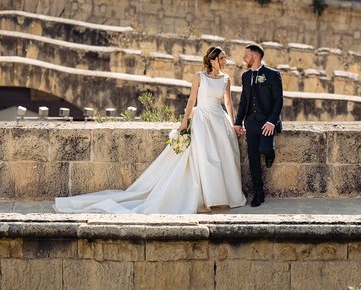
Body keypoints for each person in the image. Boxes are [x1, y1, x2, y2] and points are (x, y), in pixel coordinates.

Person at [54, 46, 244, 214]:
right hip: (202, 120)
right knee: (205, 159)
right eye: (221, 58)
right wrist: (184, 121)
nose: (225, 61)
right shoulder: (199, 77)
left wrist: (234, 124)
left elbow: (227, 102)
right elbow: (191, 100)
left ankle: (223, 197)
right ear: (212, 60)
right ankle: (207, 198)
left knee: (224, 157)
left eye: (225, 58)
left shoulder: (225, 79)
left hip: (219, 121)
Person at [234, 43, 284, 207]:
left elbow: (278, 101)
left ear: (255, 56)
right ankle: (259, 193)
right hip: (251, 123)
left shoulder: (272, 75)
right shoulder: (246, 76)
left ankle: (270, 151)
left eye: (246, 55)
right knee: (253, 159)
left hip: (267, 122)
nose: (243, 58)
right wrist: (238, 122)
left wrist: (271, 121)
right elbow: (243, 101)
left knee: (265, 149)